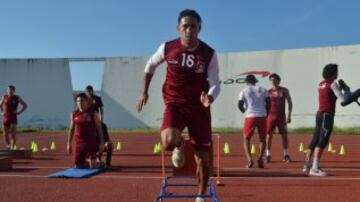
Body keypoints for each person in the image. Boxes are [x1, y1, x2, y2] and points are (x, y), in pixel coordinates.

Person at [136, 9, 220, 202]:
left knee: (202, 159)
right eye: (185, 26)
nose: (188, 30)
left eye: (193, 26)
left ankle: (200, 196)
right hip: (175, 103)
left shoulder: (209, 54)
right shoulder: (168, 47)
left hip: (199, 108)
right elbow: (150, 66)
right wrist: (144, 91)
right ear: (178, 28)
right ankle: (181, 144)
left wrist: (210, 96)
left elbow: (216, 82)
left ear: (200, 28)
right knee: (167, 142)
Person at [302, 64, 347, 176]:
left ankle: (307, 165)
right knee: (323, 140)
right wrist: (346, 89)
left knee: (315, 139)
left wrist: (339, 89)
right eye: (336, 72)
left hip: (319, 113)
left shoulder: (321, 84)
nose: (338, 74)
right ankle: (315, 168)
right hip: (327, 114)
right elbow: (343, 100)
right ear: (332, 73)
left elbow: (330, 94)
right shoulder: (332, 84)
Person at [238, 74, 270, 169]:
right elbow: (269, 103)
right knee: (263, 139)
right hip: (262, 116)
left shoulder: (244, 91)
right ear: (255, 81)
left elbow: (240, 105)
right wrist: (266, 113)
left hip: (250, 116)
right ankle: (260, 159)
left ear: (247, 82)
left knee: (246, 139)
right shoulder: (264, 89)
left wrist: (245, 111)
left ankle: (249, 160)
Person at [67, 93, 105, 168]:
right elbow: (71, 129)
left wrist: (101, 143)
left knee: (93, 166)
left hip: (90, 143)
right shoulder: (74, 114)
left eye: (82, 101)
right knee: (77, 166)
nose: (80, 103)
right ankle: (86, 162)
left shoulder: (93, 113)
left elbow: (99, 128)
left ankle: (101, 163)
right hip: (79, 143)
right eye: (78, 101)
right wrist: (68, 143)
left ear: (86, 101)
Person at [265, 73, 293, 163]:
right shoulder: (267, 92)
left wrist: (289, 115)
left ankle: (286, 155)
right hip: (270, 117)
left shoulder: (284, 90)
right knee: (269, 136)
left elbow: (290, 103)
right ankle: (268, 154)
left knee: (284, 136)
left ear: (278, 80)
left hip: (281, 117)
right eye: (271, 80)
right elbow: (264, 105)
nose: (273, 81)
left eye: (274, 80)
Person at [0, 85, 27, 150]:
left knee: (13, 134)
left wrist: (19, 112)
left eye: (11, 90)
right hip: (5, 117)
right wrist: (1, 112)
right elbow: (0, 105)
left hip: (13, 117)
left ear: (13, 91)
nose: (9, 91)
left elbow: (25, 105)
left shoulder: (17, 97)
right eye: (8, 90)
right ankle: (8, 145)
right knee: (5, 134)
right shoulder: (4, 97)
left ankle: (12, 148)